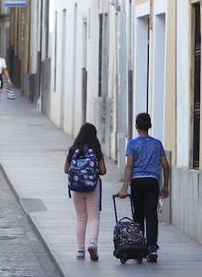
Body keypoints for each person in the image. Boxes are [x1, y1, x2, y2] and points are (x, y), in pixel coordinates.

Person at [116, 112, 171, 262]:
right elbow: (165, 165)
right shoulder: (157, 144)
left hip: (137, 182)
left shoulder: (132, 144)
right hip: (152, 182)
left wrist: (124, 187)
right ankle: (152, 248)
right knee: (151, 215)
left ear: (136, 126)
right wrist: (165, 185)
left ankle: (139, 246)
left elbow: (129, 165)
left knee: (138, 214)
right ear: (150, 126)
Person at [64, 122, 107, 261]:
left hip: (77, 188)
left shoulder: (73, 150)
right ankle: (93, 242)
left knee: (81, 218)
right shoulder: (96, 150)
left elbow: (66, 169)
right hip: (92, 187)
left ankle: (80, 250)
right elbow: (103, 171)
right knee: (94, 217)